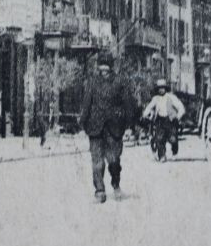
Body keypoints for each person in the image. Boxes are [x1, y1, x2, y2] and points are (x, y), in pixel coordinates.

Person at [79, 55, 137, 203]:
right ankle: (99, 191)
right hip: (95, 126)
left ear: (111, 67)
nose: (103, 69)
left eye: (106, 66)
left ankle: (116, 184)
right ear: (98, 67)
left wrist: (129, 124)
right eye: (101, 66)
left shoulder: (120, 81)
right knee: (97, 160)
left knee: (114, 160)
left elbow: (128, 104)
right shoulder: (92, 82)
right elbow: (86, 103)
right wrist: (83, 122)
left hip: (114, 126)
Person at [140, 79, 186, 159]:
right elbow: (149, 107)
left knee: (173, 139)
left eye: (162, 88)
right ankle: (162, 156)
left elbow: (181, 108)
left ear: (165, 88)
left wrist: (178, 117)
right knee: (159, 138)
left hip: (170, 120)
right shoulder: (156, 98)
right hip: (160, 121)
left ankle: (174, 152)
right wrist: (145, 114)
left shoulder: (171, 97)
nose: (161, 90)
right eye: (159, 88)